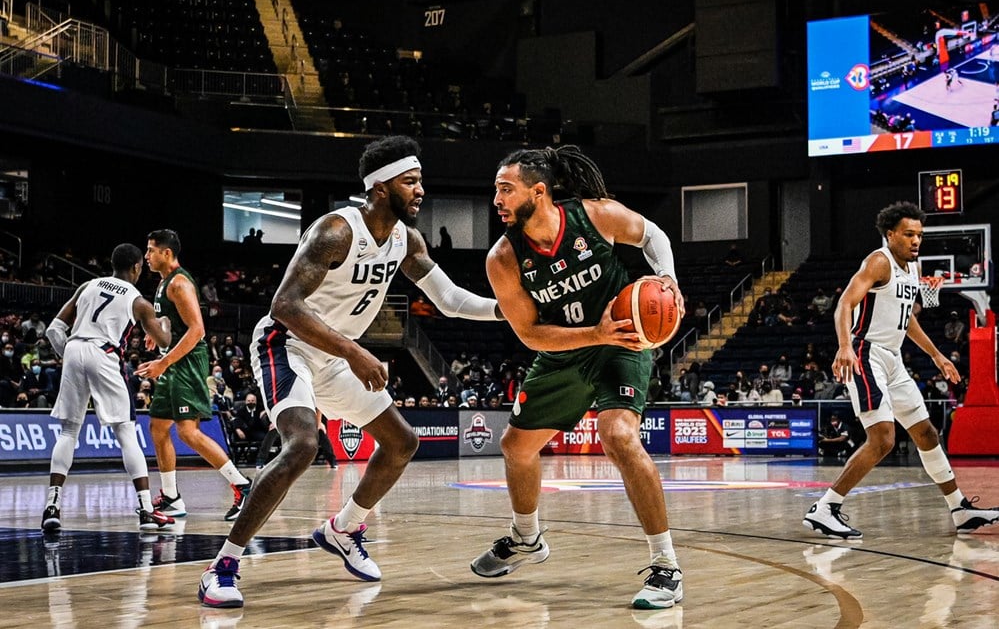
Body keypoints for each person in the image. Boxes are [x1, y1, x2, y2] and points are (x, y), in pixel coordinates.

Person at [197, 135, 504, 608]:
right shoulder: (336, 231)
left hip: (335, 355)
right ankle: (223, 566)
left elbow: (450, 300)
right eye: (411, 181)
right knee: (302, 444)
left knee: (402, 442)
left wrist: (512, 311)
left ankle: (343, 529)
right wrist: (356, 352)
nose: (421, 190)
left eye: (420, 180)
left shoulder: (406, 239)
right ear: (380, 188)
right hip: (288, 345)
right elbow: (284, 306)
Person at [469, 144, 687, 610]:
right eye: (495, 191)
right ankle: (527, 538)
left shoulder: (596, 216)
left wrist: (667, 279)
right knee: (515, 446)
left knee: (618, 435)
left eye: (506, 189)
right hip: (567, 348)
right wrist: (593, 331)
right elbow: (529, 333)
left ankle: (666, 566)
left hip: (622, 343)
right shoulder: (503, 259)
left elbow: (654, 236)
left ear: (539, 191)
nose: (497, 200)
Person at [803, 202, 999, 539]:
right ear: (890, 234)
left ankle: (960, 509)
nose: (916, 240)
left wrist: (938, 355)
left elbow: (907, 320)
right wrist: (845, 345)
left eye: (919, 235)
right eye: (909, 234)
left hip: (893, 358)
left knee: (926, 433)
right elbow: (845, 304)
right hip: (866, 353)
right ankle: (826, 507)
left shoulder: (912, 268)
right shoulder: (878, 261)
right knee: (883, 440)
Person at [40, 244, 174, 532]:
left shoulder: (87, 285)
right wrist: (165, 321)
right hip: (104, 353)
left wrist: (73, 355)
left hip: (74, 348)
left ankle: (52, 506)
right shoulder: (138, 301)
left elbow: (53, 329)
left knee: (68, 432)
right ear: (137, 267)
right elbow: (163, 342)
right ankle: (147, 510)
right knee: (125, 431)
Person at [137, 229, 252, 523]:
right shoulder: (163, 283)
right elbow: (170, 320)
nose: (146, 256)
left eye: (151, 250)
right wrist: (157, 335)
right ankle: (172, 496)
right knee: (159, 427)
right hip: (173, 359)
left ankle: (242, 485)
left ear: (166, 253)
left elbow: (197, 330)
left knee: (188, 432)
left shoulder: (179, 284)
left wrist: (163, 362)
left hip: (187, 362)